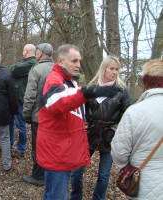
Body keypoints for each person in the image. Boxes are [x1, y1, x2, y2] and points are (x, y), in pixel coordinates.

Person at [36, 44, 119, 199]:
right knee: (56, 195)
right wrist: (89, 92)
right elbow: (56, 102)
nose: (78, 65)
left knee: (52, 193)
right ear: (60, 61)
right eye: (74, 61)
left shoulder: (70, 81)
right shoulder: (54, 79)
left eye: (79, 61)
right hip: (57, 153)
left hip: (63, 150)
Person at [70, 56, 132, 200]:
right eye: (111, 68)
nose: (115, 72)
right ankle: (75, 197)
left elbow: (128, 114)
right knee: (77, 171)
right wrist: (83, 125)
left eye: (117, 69)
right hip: (89, 133)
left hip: (109, 137)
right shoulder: (92, 87)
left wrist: (114, 130)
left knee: (103, 176)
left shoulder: (122, 90)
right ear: (104, 69)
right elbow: (81, 108)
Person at [111, 59, 163, 200]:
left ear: (145, 81)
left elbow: (119, 152)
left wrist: (127, 168)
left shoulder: (134, 112)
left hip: (144, 187)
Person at [22, 43, 54, 186]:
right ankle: (51, 174)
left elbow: (30, 94)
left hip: (39, 116)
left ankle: (37, 176)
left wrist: (26, 113)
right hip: (55, 116)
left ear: (40, 53)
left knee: (38, 147)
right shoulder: (58, 68)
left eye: (37, 52)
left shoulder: (36, 69)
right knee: (52, 146)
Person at [9, 44, 37, 158]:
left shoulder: (31, 63)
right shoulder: (26, 62)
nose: (22, 52)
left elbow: (13, 69)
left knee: (20, 124)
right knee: (11, 123)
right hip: (15, 97)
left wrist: (13, 68)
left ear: (26, 51)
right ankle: (9, 146)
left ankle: (21, 149)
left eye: (23, 50)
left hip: (21, 98)